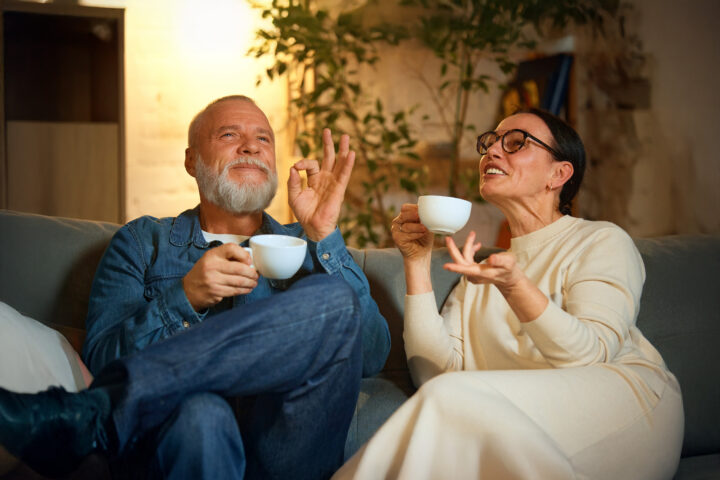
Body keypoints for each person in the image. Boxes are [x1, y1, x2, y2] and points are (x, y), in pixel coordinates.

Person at [0, 95, 390, 480]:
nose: (251, 145)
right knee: (201, 414)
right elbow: (103, 360)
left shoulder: (308, 246)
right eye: (228, 134)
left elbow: (371, 355)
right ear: (192, 160)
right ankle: (105, 413)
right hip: (187, 442)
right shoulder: (143, 242)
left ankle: (100, 415)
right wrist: (183, 299)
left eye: (263, 139)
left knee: (335, 301)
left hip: (288, 450)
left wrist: (324, 237)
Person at [333, 108, 684, 480]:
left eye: (515, 142)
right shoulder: (481, 273)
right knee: (451, 401)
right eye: (490, 142)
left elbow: (590, 354)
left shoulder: (599, 241)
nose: (493, 152)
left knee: (453, 399)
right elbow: (435, 374)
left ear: (559, 174)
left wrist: (516, 287)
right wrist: (416, 262)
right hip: (527, 426)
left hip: (626, 409)